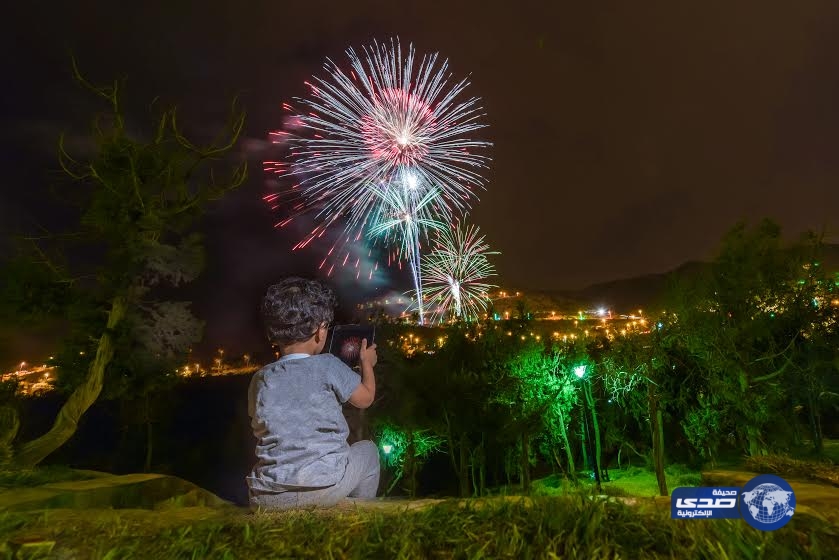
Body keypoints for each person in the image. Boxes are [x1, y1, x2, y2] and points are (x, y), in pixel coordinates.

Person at [246, 277, 380, 510]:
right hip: (323, 488)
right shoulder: (328, 365)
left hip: (267, 496)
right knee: (368, 451)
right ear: (320, 330)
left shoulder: (261, 378)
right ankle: (361, 512)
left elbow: (259, 426)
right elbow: (365, 398)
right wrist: (366, 363)